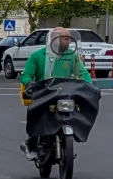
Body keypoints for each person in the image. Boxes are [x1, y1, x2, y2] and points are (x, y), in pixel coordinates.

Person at [18, 26, 89, 154]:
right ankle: (32, 143)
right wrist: (30, 84)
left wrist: (89, 85)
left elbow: (83, 73)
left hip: (66, 94)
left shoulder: (72, 56)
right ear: (55, 39)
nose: (70, 42)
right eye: (66, 39)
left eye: (70, 39)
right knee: (36, 115)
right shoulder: (38, 56)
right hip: (44, 93)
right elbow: (26, 75)